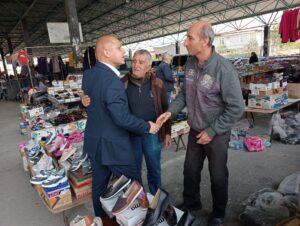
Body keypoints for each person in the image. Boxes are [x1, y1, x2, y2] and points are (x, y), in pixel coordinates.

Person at [157, 21, 244, 226]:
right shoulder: (190, 63)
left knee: (218, 174)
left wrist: (213, 130)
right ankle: (192, 203)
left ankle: (219, 213)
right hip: (195, 129)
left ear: (205, 41)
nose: (185, 42)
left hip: (217, 133)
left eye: (190, 38)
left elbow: (237, 108)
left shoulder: (224, 69)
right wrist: (170, 112)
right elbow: (184, 96)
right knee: (190, 169)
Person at [82, 35, 159, 217]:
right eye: (119, 47)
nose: (124, 51)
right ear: (107, 52)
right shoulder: (112, 81)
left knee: (99, 188)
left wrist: (82, 101)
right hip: (114, 147)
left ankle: (102, 221)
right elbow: (122, 118)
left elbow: (93, 102)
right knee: (135, 186)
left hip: (95, 144)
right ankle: (140, 219)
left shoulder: (89, 74)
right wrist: (147, 126)